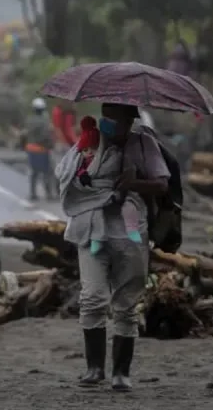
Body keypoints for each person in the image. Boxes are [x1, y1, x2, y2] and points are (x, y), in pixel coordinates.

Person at [55, 103, 170, 392]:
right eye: (106, 117)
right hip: (91, 228)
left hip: (130, 233)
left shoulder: (143, 143)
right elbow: (67, 173)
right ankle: (94, 368)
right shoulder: (91, 142)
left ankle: (121, 372)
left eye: (117, 119)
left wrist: (133, 183)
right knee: (92, 297)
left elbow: (161, 185)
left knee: (126, 303)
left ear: (130, 121)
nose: (110, 124)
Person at [74, 116, 142, 254]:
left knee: (130, 206)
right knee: (95, 213)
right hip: (95, 193)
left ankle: (132, 230)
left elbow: (116, 169)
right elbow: (78, 171)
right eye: (86, 150)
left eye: (93, 149)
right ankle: (97, 238)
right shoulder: (83, 162)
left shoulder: (113, 154)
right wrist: (82, 175)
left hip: (114, 189)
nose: (90, 152)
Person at [25, 98, 55, 201]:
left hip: (31, 149)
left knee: (34, 172)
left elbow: (26, 135)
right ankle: (49, 194)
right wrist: (51, 145)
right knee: (47, 172)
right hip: (42, 149)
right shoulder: (44, 121)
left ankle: (33, 194)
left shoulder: (29, 120)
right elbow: (46, 135)